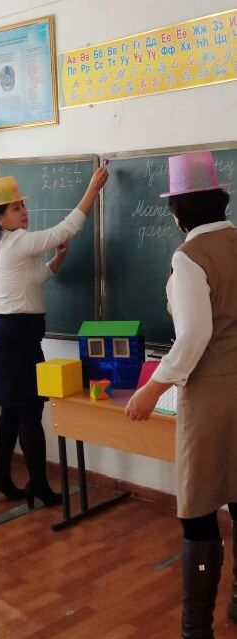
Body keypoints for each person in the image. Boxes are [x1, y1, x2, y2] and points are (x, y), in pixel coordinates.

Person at [125, 150, 237, 639]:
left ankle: (196, 629)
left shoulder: (189, 257)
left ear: (178, 213)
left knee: (198, 509)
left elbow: (193, 335)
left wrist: (153, 387)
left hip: (211, 398)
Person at [0, 168, 108, 508]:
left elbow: (36, 279)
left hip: (5, 337)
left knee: (12, 411)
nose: (24, 211)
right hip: (13, 339)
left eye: (23, 205)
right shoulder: (18, 241)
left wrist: (59, 259)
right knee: (30, 411)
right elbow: (67, 228)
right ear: (0, 216)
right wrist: (92, 190)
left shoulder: (6, 242)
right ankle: (38, 485)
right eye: (16, 207)